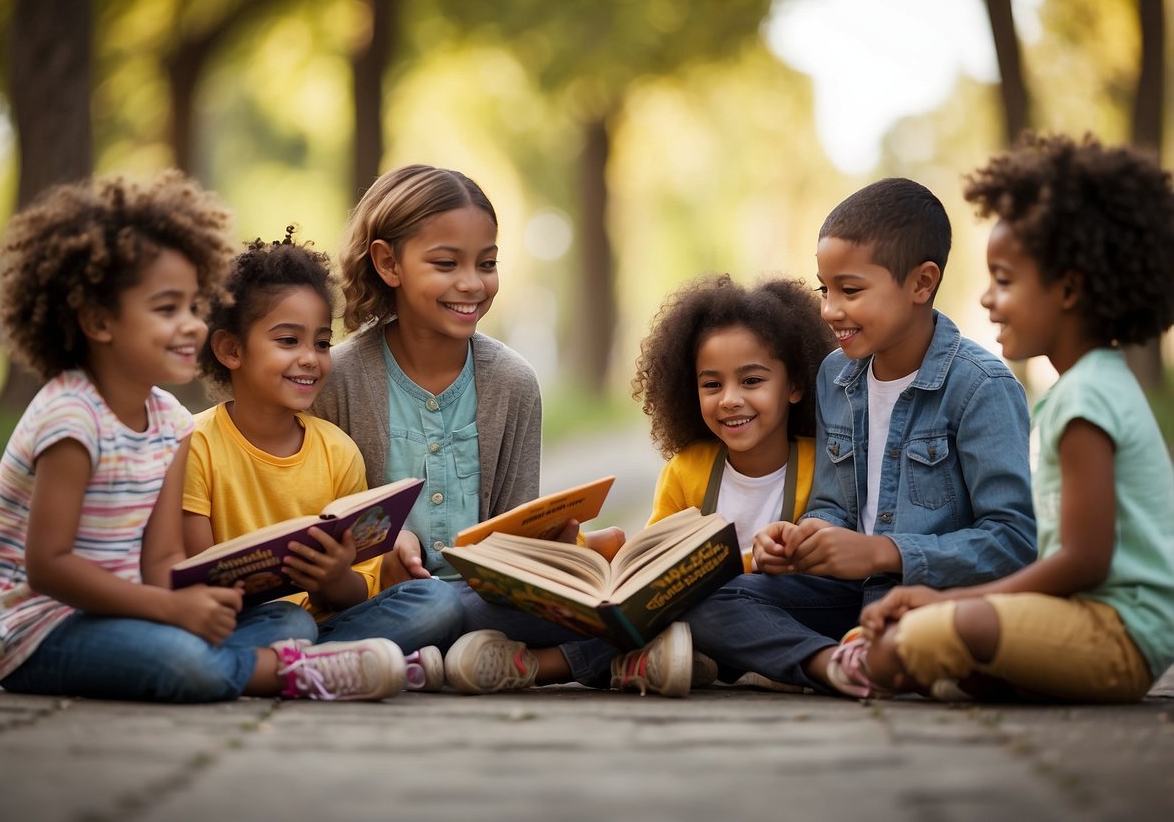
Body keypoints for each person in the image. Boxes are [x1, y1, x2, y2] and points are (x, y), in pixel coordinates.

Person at [0, 172, 407, 702]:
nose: (191, 326)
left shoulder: (172, 423)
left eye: (192, 308)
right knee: (182, 663)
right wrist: (170, 612)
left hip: (131, 613)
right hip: (38, 631)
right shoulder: (71, 418)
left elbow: (162, 565)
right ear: (98, 320)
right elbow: (49, 568)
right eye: (165, 309)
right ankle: (294, 674)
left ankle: (272, 655)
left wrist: (194, 607)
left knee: (282, 623)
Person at [311, 164, 669, 696]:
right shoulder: (340, 378)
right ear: (389, 263)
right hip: (383, 602)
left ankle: (460, 660)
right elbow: (327, 525)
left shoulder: (513, 383)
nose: (471, 283)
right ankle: (563, 661)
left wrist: (558, 549)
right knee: (431, 606)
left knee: (645, 597)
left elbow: (512, 543)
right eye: (445, 263)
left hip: (487, 601)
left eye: (487, 263)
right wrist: (381, 555)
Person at [848, 134, 1174, 703]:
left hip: (1118, 636)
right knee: (926, 637)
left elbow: (1085, 560)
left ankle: (909, 654)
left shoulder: (1087, 398)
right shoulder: (1087, 385)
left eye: (1004, 279)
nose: (985, 299)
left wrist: (953, 602)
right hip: (1086, 620)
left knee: (920, 640)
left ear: (1068, 289)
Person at [683, 177, 1037, 696]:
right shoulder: (836, 377)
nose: (829, 310)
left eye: (850, 290)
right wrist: (803, 537)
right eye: (824, 289)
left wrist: (883, 553)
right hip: (846, 595)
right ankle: (836, 663)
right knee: (705, 598)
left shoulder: (980, 387)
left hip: (929, 598)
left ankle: (845, 657)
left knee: (937, 644)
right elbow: (834, 504)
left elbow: (1013, 540)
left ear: (921, 284)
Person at [182, 228, 464, 691]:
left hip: (326, 621)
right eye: (288, 341)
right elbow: (196, 576)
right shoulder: (197, 444)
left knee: (436, 601)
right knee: (287, 625)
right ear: (231, 350)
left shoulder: (337, 450)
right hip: (244, 624)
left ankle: (324, 664)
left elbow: (356, 593)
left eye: (322, 343)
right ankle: (341, 664)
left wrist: (333, 577)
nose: (310, 358)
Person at [632, 275, 834, 690]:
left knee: (708, 608)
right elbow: (652, 567)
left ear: (794, 385)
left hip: (779, 612)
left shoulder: (823, 464)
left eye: (752, 381)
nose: (729, 399)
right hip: (705, 614)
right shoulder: (686, 470)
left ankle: (691, 660)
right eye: (712, 384)